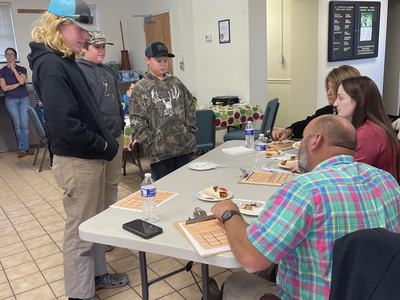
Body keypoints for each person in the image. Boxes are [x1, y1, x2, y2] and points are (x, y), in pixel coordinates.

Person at [211, 115, 400, 300]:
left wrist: (230, 212)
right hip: (377, 289)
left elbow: (251, 258)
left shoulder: (304, 189)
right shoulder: (386, 180)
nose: (300, 145)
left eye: (303, 139)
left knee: (238, 282)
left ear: (316, 141)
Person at [28, 0, 128, 299]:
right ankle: (80, 294)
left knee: (94, 223)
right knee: (80, 231)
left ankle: (97, 276)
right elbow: (64, 124)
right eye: (80, 29)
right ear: (60, 26)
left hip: (91, 156)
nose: (86, 37)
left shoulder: (64, 59)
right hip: (78, 159)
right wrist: (101, 143)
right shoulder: (50, 65)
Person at [129, 41, 196, 180]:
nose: (163, 64)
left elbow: (190, 104)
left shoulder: (176, 82)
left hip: (184, 147)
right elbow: (136, 119)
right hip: (160, 154)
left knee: (188, 184)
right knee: (167, 191)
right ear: (147, 60)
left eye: (165, 60)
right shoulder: (141, 87)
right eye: (158, 60)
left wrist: (189, 129)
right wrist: (151, 141)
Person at [77, 31, 124, 212]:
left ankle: (109, 222)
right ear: (84, 48)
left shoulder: (108, 70)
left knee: (112, 184)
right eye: (97, 47)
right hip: (97, 139)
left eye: (103, 46)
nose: (102, 51)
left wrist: (121, 123)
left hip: (116, 135)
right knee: (93, 190)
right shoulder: (78, 70)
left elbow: (116, 100)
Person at [334, 76, 400, 181]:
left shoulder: (368, 133)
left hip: (377, 194)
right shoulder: (372, 126)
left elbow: (349, 176)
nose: (335, 103)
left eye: (341, 98)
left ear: (359, 101)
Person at [271, 65, 360, 141]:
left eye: (332, 88)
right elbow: (307, 124)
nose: (328, 92)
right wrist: (289, 131)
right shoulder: (328, 111)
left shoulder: (360, 124)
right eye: (328, 87)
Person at [0, 47, 35, 158]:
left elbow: (22, 80)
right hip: (10, 100)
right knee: (18, 125)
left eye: (12, 54)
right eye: (7, 54)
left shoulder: (22, 69)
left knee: (24, 125)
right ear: (5, 56)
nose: (9, 56)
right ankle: (23, 148)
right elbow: (4, 88)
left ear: (15, 56)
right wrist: (18, 85)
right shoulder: (2, 71)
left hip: (23, 98)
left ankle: (24, 148)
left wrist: (14, 69)